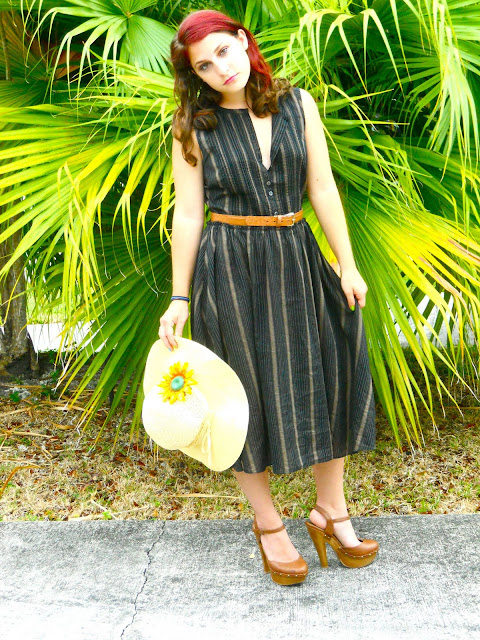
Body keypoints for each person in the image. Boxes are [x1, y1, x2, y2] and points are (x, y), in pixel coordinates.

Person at [159, 9, 379, 584]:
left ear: (242, 41)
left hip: (299, 255)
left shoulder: (297, 105)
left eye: (223, 52)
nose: (219, 69)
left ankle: (331, 509)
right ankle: (269, 524)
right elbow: (188, 214)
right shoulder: (193, 127)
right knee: (241, 395)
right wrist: (179, 297)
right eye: (203, 67)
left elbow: (321, 187)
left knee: (333, 370)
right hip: (230, 267)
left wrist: (347, 264)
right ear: (194, 76)